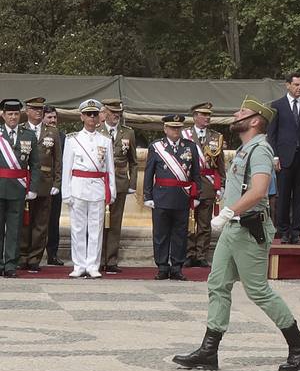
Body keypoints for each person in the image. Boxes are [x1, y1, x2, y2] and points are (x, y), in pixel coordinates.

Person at [172, 98, 300, 371]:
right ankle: (208, 350)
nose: (235, 114)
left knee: (257, 290)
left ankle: (299, 344)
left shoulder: (260, 149)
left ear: (254, 121)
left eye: (242, 112)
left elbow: (260, 189)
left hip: (249, 227)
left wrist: (227, 212)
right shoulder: (245, 148)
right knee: (218, 284)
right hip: (234, 227)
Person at [140, 114, 201, 280]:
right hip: (161, 196)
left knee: (180, 234)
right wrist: (148, 195)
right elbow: (149, 172)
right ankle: (162, 266)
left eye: (178, 128)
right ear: (165, 129)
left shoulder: (190, 147)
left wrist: (196, 194)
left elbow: (196, 173)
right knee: (160, 234)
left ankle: (176, 267)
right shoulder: (156, 146)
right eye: (172, 128)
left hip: (182, 196)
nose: (175, 131)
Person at [61, 100, 112, 279]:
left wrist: (110, 191)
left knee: (96, 229)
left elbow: (109, 169)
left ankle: (92, 265)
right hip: (78, 187)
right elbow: (66, 167)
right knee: (77, 229)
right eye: (88, 114)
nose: (92, 117)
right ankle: (79, 264)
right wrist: (66, 192)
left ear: (99, 117)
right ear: (82, 116)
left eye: (95, 114)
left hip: (97, 187)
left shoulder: (105, 140)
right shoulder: (72, 139)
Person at [267, 74, 300, 244]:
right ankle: (283, 231)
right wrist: (274, 155)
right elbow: (272, 134)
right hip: (284, 157)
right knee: (283, 196)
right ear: (287, 85)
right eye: (296, 85)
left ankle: (296, 232)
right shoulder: (277, 106)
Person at [0, 98, 39, 277]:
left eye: (16, 114)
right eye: (10, 114)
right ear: (3, 115)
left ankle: (10, 265)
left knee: (15, 230)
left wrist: (32, 188)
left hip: (18, 188)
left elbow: (36, 164)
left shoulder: (28, 135)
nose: (13, 117)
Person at [184, 103, 226, 266]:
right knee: (189, 221)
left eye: (209, 115)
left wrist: (221, 184)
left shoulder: (216, 136)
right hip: (190, 182)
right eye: (203, 114)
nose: (207, 117)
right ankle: (189, 253)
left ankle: (201, 256)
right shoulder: (185, 134)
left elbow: (220, 163)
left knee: (204, 222)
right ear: (195, 116)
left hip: (208, 184)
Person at [21, 97, 60, 274]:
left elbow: (57, 160)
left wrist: (57, 182)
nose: (38, 112)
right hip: (24, 181)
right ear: (27, 111)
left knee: (41, 223)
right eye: (34, 109)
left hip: (45, 182)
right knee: (23, 222)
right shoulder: (21, 130)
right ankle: (21, 256)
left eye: (40, 109)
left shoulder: (52, 132)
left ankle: (35, 258)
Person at [99, 99, 136, 274]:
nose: (116, 115)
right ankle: (97, 258)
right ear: (104, 113)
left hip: (120, 180)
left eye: (118, 112)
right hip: (100, 181)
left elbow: (134, 162)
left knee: (115, 222)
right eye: (113, 112)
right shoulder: (97, 131)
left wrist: (133, 183)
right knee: (98, 221)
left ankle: (111, 259)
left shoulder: (128, 133)